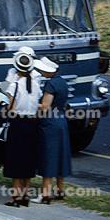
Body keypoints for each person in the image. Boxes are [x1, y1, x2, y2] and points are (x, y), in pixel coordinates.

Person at [0, 47, 39, 189]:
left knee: (17, 151)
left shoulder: (33, 77)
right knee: (1, 146)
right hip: (17, 114)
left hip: (14, 115)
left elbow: (14, 94)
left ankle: (18, 187)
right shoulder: (15, 73)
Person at [3, 52, 43, 207]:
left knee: (15, 159)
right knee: (28, 159)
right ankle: (25, 193)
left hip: (18, 123)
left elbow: (10, 107)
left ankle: (15, 196)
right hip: (32, 123)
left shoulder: (14, 85)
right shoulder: (35, 84)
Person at [32, 58, 72, 204]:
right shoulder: (62, 81)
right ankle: (60, 190)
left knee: (48, 157)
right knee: (60, 155)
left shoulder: (51, 84)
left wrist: (30, 102)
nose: (41, 72)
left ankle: (46, 193)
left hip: (50, 123)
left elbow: (45, 107)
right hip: (61, 120)